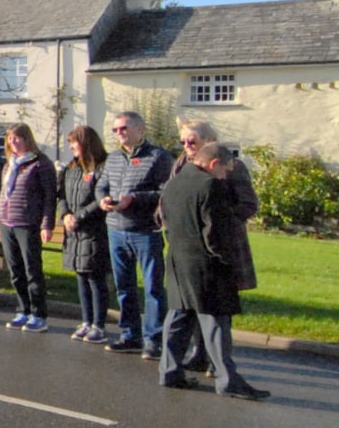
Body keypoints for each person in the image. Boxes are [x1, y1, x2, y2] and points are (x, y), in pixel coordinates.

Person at [158, 142, 270, 401]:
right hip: (206, 265)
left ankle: (169, 371)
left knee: (178, 318)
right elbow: (214, 232)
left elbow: (167, 219)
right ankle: (227, 379)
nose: (225, 176)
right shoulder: (211, 186)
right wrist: (225, 260)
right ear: (212, 164)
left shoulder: (175, 181)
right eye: (225, 170)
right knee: (215, 323)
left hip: (177, 259)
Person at [165, 119, 259, 371]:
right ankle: (199, 353)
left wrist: (220, 220)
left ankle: (217, 361)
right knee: (190, 304)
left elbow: (249, 203)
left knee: (217, 305)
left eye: (191, 141)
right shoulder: (181, 165)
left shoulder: (232, 166)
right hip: (188, 244)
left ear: (208, 141)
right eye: (182, 141)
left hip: (220, 241)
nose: (186, 146)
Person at [96, 110, 173, 359]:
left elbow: (164, 192)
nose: (119, 133)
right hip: (116, 229)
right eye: (116, 130)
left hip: (144, 231)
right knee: (124, 286)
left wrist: (135, 199)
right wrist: (103, 200)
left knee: (152, 287)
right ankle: (130, 334)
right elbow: (101, 185)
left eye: (124, 128)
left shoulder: (159, 157)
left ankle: (154, 339)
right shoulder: (114, 158)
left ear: (140, 130)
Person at [56, 125, 114, 342]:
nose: (71, 147)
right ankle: (86, 320)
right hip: (75, 232)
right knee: (81, 275)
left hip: (94, 230)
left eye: (74, 142)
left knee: (95, 277)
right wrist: (65, 216)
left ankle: (99, 324)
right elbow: (61, 196)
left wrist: (78, 217)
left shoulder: (103, 167)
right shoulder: (71, 169)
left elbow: (100, 199)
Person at [0, 122, 57, 332]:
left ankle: (38, 314)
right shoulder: (9, 164)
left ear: (27, 139)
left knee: (32, 270)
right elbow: (4, 192)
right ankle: (22, 309)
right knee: (15, 270)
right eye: (9, 139)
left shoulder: (40, 163)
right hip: (7, 222)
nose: (12, 142)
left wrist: (47, 224)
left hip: (28, 223)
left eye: (17, 138)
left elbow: (50, 197)